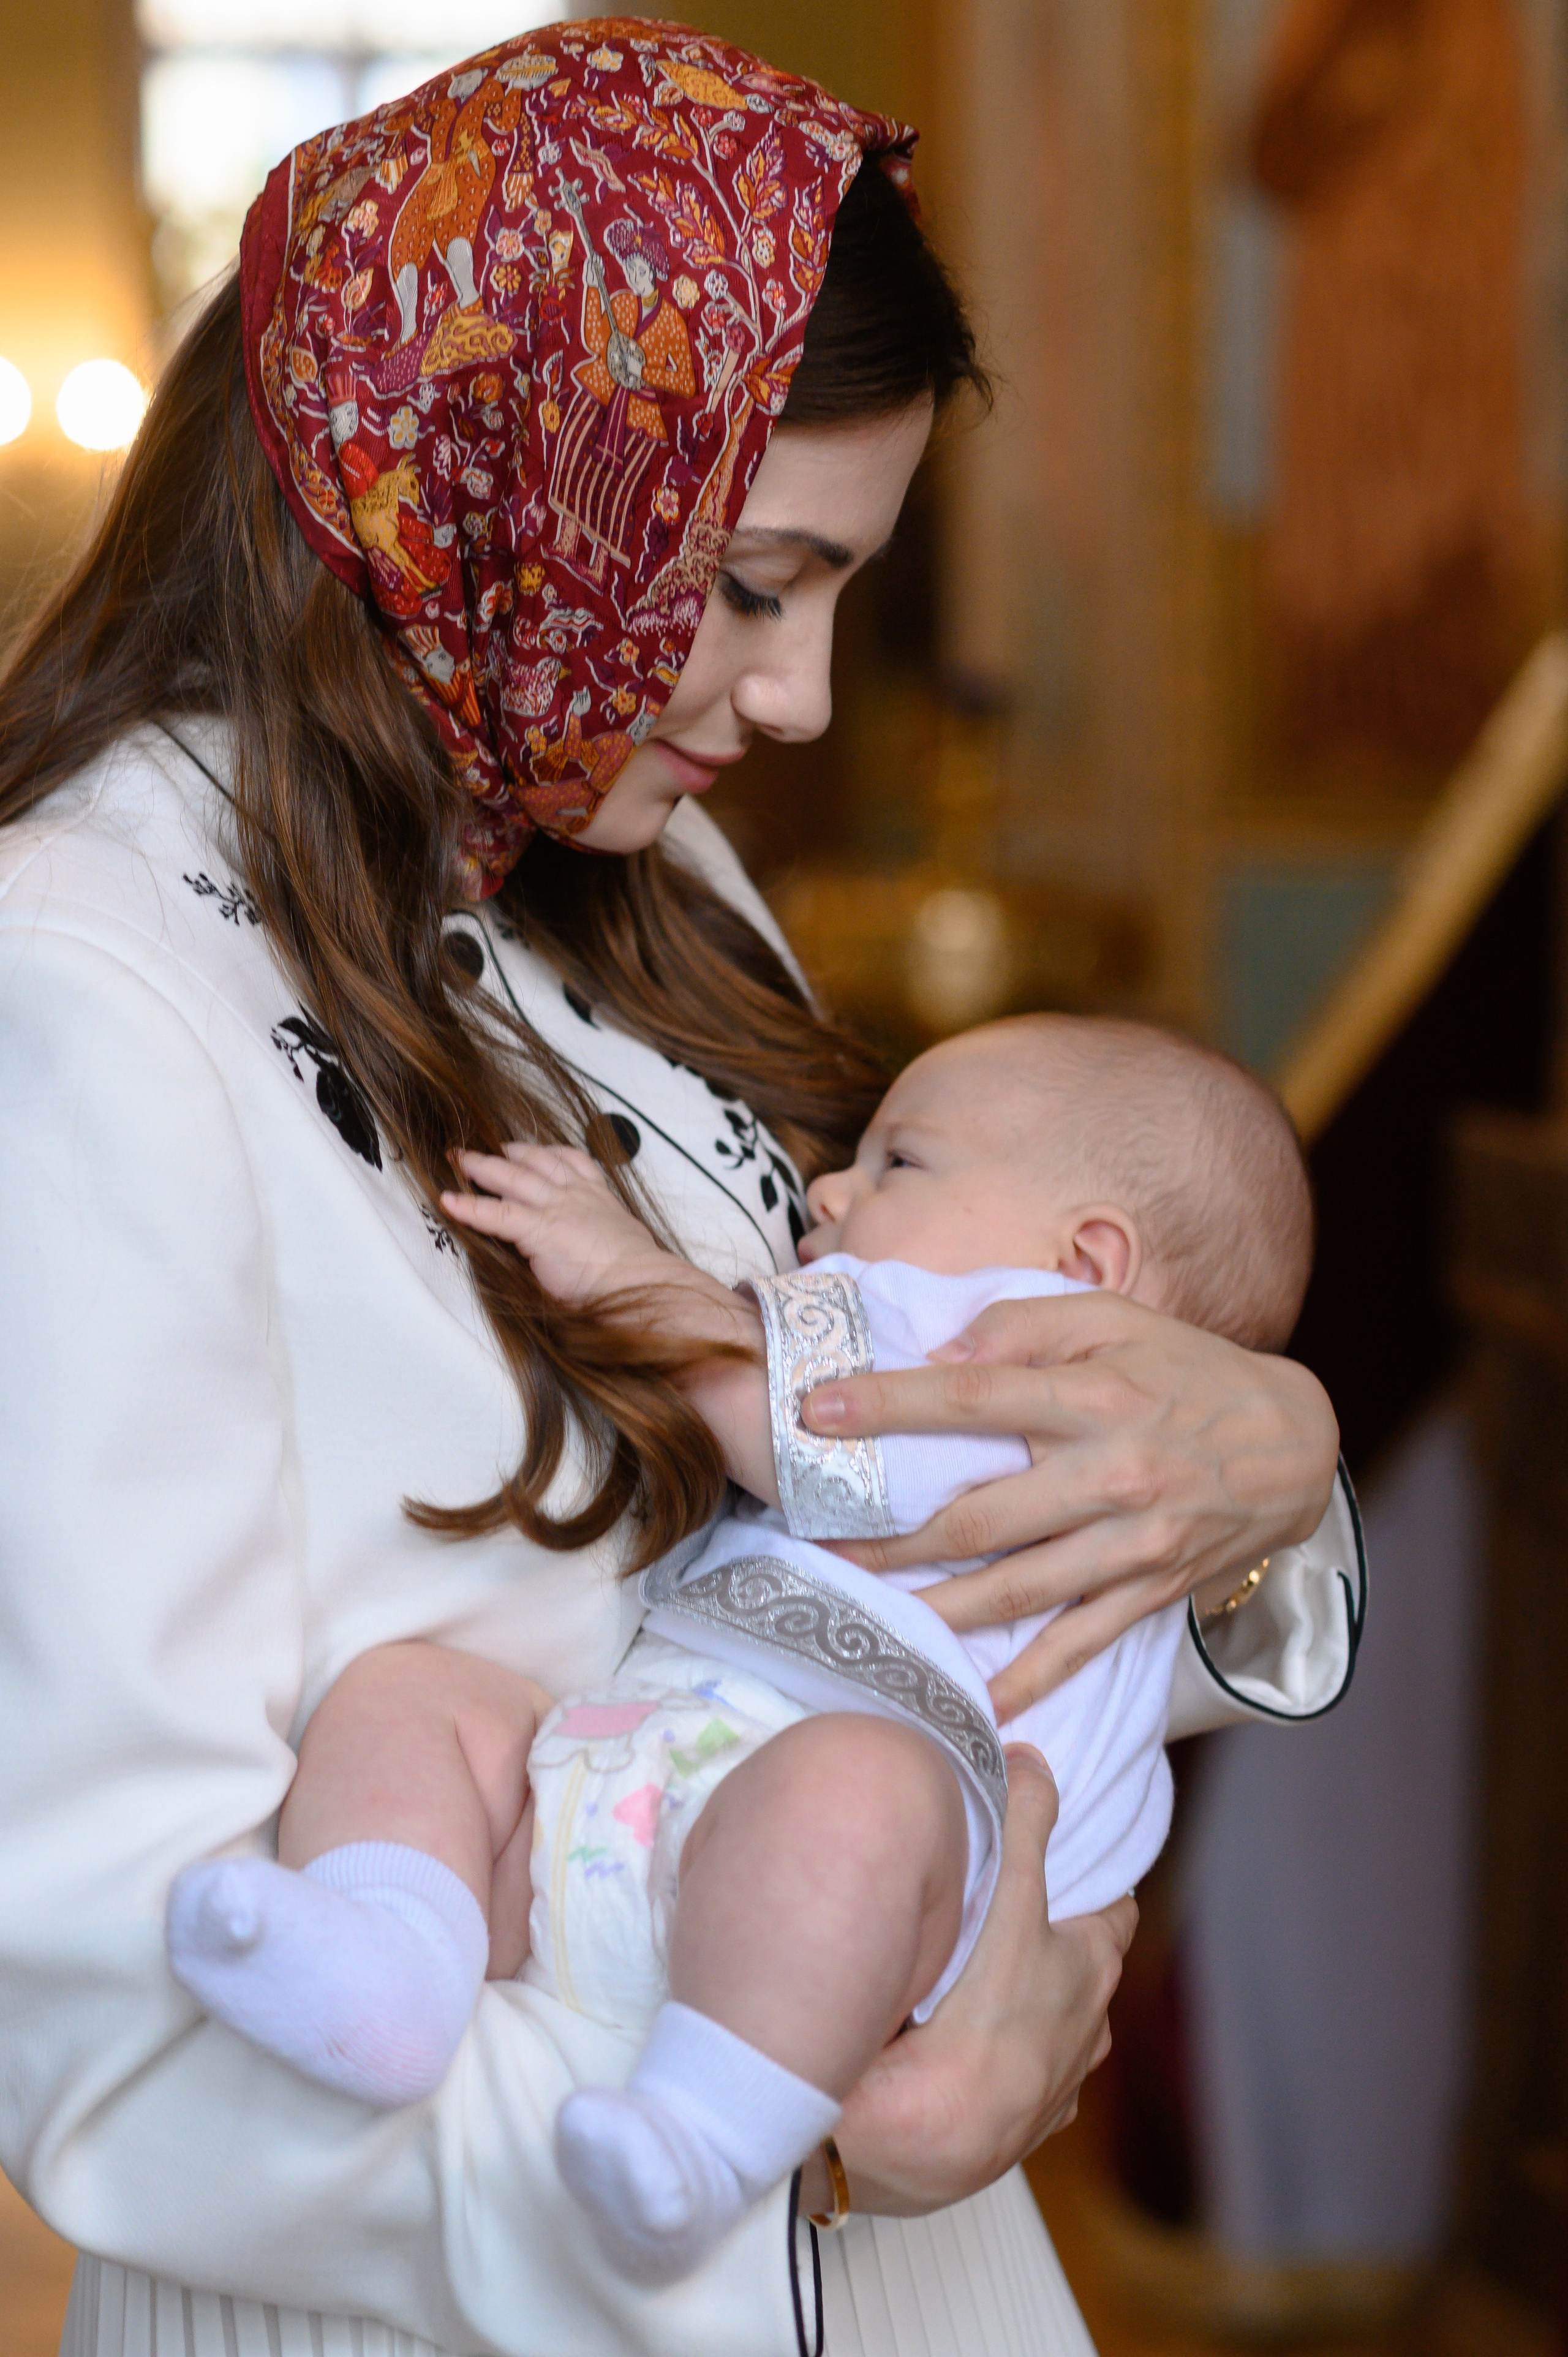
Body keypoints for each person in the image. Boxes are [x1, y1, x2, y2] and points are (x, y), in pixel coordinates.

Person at [0, 23, 1361, 2357]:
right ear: (495, 473)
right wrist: (803, 2128)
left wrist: (1263, 1465)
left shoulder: (659, 881)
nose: (805, 693)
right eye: (746, 581)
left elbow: (912, 1476)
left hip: (916, 2255)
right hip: (515, 2282)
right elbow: (106, 2007)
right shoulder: (76, 985)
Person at [164, 1012, 1317, 2291]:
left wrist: (616, 1264)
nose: (828, 1187)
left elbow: (795, 1422)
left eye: (900, 1164)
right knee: (419, 1692)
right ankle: (393, 1950)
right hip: (639, 1780)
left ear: (1083, 1258)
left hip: (845, 1892)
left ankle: (702, 2131)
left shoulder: (1026, 1360)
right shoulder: (1028, 1365)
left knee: (851, 1789)